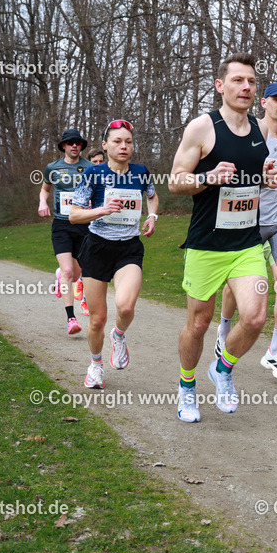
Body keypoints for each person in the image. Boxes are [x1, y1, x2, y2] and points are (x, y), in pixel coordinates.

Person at [167, 52, 277, 423]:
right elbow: (174, 181)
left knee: (255, 316)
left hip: (247, 242)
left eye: (251, 81)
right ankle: (187, 387)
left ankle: (223, 369)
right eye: (237, 80)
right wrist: (206, 178)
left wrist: (267, 178)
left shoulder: (261, 130)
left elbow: (253, 178)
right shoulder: (202, 128)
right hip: (206, 243)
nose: (246, 87)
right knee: (198, 323)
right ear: (220, 86)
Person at [216, 82, 277, 380]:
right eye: (276, 100)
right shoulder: (254, 132)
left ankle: (275, 351)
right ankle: (224, 327)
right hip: (251, 218)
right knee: (235, 283)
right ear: (263, 103)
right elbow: (239, 172)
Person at [70, 119, 158, 388]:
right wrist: (102, 210)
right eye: (118, 141)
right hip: (97, 247)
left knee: (126, 306)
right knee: (97, 319)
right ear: (105, 145)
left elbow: (152, 196)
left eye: (128, 142)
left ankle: (118, 336)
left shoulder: (141, 172)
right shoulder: (92, 175)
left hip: (128, 249)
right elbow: (74, 215)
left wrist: (152, 215)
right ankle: (95, 365)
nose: (124, 146)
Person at [39, 128, 91, 334]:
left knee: (76, 273)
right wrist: (42, 203)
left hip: (84, 225)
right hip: (61, 225)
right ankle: (71, 318)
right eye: (70, 143)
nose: (74, 146)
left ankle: (61, 275)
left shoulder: (89, 167)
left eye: (77, 143)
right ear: (63, 146)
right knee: (70, 272)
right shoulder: (52, 168)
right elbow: (45, 189)